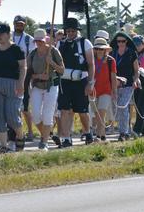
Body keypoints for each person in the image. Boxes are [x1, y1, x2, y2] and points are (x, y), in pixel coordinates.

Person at [0, 24, 26, 153]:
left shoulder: (17, 49)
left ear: (9, 34)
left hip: (13, 84)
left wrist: (21, 83)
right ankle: (4, 146)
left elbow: (22, 67)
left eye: (2, 33)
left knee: (12, 115)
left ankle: (20, 136)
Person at [56, 18, 95, 148]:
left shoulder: (85, 43)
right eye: (68, 31)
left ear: (77, 31)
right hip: (65, 81)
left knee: (82, 111)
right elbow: (56, 63)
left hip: (81, 80)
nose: (71, 33)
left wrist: (90, 82)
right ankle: (67, 138)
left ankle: (87, 132)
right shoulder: (60, 44)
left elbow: (91, 64)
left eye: (73, 31)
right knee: (65, 110)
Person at [27, 29, 64, 150]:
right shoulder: (32, 54)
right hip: (37, 85)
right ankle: (47, 135)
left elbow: (62, 70)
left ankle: (44, 142)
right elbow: (28, 73)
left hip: (51, 86)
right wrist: (38, 76)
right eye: (36, 41)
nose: (38, 43)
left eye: (40, 41)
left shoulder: (53, 51)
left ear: (45, 40)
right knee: (36, 115)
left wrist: (51, 63)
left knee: (47, 114)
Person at [109, 31, 140, 140]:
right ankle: (125, 128)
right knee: (116, 108)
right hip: (115, 84)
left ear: (127, 41)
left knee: (123, 106)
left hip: (128, 84)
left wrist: (136, 80)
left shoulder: (132, 53)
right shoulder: (113, 53)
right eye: (118, 41)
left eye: (123, 41)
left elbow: (136, 70)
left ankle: (124, 133)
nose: (121, 43)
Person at [12, 15, 35, 141]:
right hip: (9, 73)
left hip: (23, 74)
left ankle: (30, 131)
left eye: (21, 24)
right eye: (17, 24)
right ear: (14, 24)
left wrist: (27, 72)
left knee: (25, 106)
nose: (19, 26)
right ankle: (15, 132)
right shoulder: (8, 36)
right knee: (13, 106)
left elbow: (31, 57)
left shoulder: (28, 39)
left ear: (24, 25)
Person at [90, 37, 117, 141]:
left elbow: (113, 77)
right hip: (93, 91)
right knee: (96, 114)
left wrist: (114, 91)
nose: (99, 51)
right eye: (97, 49)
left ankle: (98, 136)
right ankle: (102, 135)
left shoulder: (111, 60)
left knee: (101, 113)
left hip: (106, 90)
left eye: (102, 49)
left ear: (106, 49)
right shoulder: (91, 59)